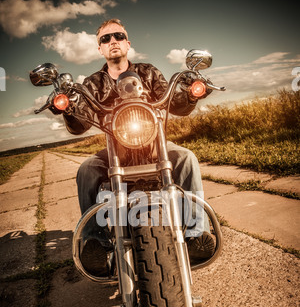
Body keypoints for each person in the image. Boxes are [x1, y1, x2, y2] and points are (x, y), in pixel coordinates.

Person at [60, 18, 215, 275]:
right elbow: (79, 124)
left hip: (156, 145)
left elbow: (174, 104)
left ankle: (197, 233)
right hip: (114, 152)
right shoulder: (93, 83)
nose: (112, 42)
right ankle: (95, 241)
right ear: (100, 48)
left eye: (118, 36)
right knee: (86, 169)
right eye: (105, 39)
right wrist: (67, 109)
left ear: (127, 43)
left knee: (187, 158)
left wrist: (190, 94)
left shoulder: (149, 72)